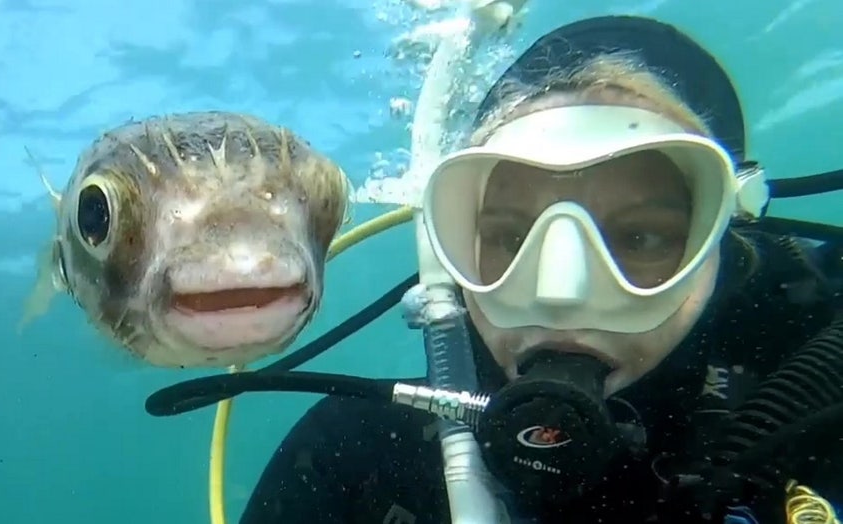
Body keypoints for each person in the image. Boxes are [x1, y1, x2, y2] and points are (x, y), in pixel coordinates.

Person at [239, 15, 843, 524]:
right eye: (506, 237)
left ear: (724, 234)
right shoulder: (356, 460)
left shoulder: (819, 406)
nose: (560, 294)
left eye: (638, 236)